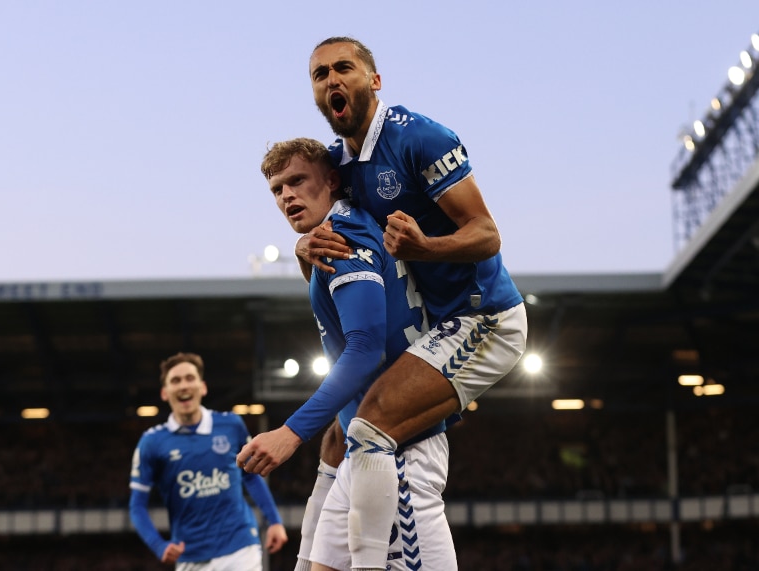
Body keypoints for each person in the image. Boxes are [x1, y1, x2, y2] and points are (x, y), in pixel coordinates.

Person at [294, 37, 529, 570]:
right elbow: (327, 256)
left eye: (344, 68)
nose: (332, 79)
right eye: (320, 74)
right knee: (337, 437)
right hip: (429, 326)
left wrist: (426, 247)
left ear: (374, 80)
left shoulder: (420, 138)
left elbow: (487, 234)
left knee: (370, 424)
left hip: (482, 317)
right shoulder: (338, 166)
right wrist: (303, 247)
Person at [237, 138, 456, 570]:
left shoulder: (344, 237)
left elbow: (365, 351)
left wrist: (290, 433)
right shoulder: (339, 231)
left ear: (333, 180)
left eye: (297, 181)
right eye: (278, 189)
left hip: (399, 453)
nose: (287, 196)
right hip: (364, 450)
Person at [129, 352, 288, 570]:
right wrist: (158, 545)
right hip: (190, 555)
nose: (184, 385)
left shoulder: (231, 425)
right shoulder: (151, 442)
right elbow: (137, 505)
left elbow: (250, 477)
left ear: (202, 387)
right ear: (164, 393)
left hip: (240, 546)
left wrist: (274, 520)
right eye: (175, 380)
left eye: (190, 378)